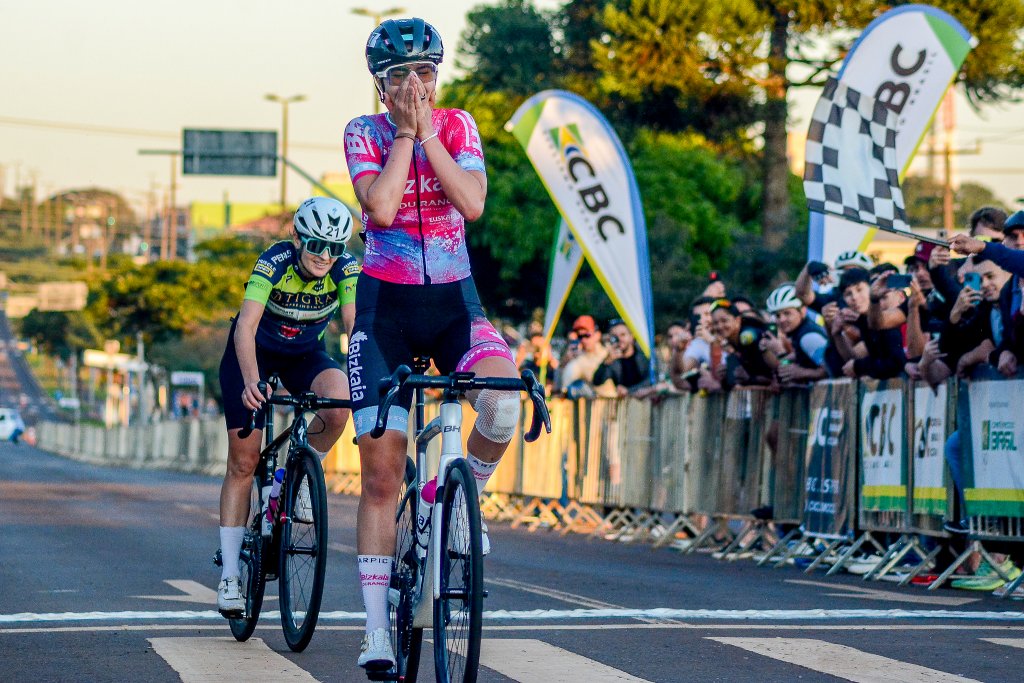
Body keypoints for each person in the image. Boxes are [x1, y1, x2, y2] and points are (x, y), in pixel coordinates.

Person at [344, 17, 521, 672]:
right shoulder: (362, 132)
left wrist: (430, 138)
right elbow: (382, 209)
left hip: (453, 302)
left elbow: (472, 202)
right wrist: (404, 138)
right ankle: (376, 631)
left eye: (426, 73)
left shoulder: (462, 124)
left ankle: (459, 504)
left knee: (504, 405)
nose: (416, 86)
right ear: (380, 86)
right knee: (382, 475)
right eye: (401, 76)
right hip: (386, 310)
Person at [216, 197, 358, 615]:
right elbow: (245, 327)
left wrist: (367, 377)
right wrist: (249, 382)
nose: (325, 256)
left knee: (341, 401)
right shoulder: (273, 262)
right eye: (316, 245)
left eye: (335, 248)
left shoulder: (347, 269)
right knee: (243, 462)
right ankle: (228, 577)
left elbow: (354, 327)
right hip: (253, 353)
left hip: (304, 355)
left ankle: (303, 479)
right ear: (297, 238)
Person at [760, 284, 828, 384]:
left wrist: (802, 372)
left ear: (803, 311)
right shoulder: (798, 334)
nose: (781, 319)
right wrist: (779, 354)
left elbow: (832, 369)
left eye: (787, 313)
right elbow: (786, 369)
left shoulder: (808, 337)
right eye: (778, 315)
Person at [593, 318, 652, 396]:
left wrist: (629, 391)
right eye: (615, 336)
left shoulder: (645, 355)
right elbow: (597, 382)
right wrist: (606, 362)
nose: (619, 339)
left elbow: (652, 380)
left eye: (623, 335)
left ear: (632, 336)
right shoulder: (614, 360)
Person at [558, 315, 609, 398]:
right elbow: (564, 388)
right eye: (580, 336)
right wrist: (564, 363)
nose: (583, 340)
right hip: (594, 405)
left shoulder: (608, 354)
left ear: (598, 335)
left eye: (587, 335)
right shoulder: (579, 360)